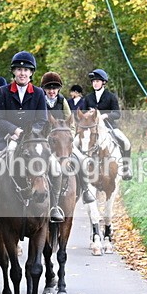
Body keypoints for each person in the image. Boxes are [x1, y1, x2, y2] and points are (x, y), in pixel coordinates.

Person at [0, 51, 64, 223]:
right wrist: (14, 131)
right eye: (19, 70)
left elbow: (42, 120)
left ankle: (54, 207)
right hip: (5, 138)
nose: (22, 73)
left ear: (31, 73)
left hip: (33, 140)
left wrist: (29, 134)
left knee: (56, 167)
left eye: (26, 70)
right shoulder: (3, 92)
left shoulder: (38, 93)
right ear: (14, 72)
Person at [40, 73, 95, 204]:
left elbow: (70, 121)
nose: (52, 91)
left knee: (81, 159)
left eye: (55, 89)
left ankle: (86, 190)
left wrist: (69, 137)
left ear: (58, 89)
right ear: (44, 89)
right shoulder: (39, 100)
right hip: (44, 139)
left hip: (62, 140)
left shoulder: (62, 101)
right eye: (49, 89)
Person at [78, 68, 133, 180]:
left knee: (126, 143)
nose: (95, 83)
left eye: (97, 81)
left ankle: (126, 169)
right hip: (91, 127)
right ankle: (78, 169)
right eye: (93, 82)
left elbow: (117, 114)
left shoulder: (111, 97)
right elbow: (83, 114)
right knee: (76, 142)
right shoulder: (88, 98)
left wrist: (105, 115)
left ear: (103, 82)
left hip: (109, 126)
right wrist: (89, 113)